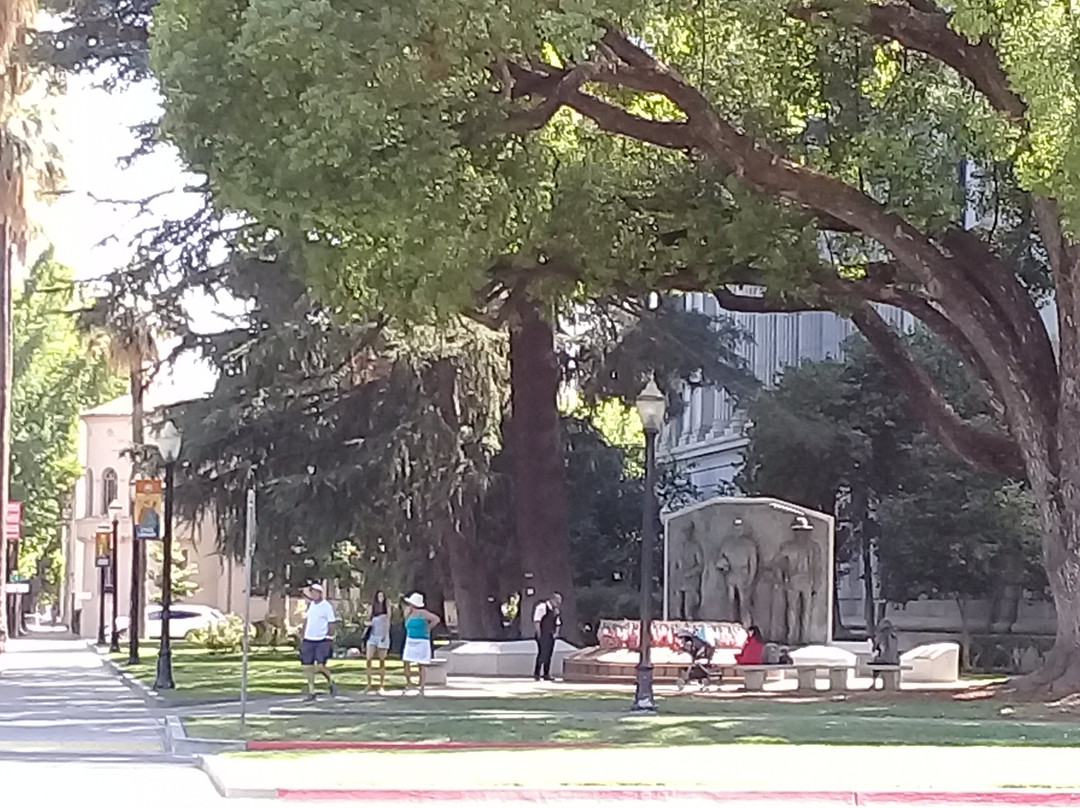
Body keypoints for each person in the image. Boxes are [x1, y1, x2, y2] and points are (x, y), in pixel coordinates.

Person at [299, 583, 338, 702]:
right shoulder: (310, 605)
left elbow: (331, 623)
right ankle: (312, 691)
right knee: (308, 666)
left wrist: (330, 636)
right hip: (308, 639)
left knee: (320, 666)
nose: (313, 594)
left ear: (320, 593)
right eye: (312, 592)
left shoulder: (326, 606)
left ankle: (331, 681)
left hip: (321, 639)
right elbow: (306, 620)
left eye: (316, 592)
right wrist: (302, 635)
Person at [401, 592, 440, 695]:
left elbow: (436, 619)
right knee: (406, 661)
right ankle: (409, 683)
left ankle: (422, 687)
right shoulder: (408, 614)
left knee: (421, 664)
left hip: (422, 640)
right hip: (410, 640)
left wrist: (428, 628)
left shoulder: (423, 613)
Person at [365, 590, 391, 694]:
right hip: (373, 635)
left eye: (382, 596)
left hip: (382, 635)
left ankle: (381, 685)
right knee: (368, 659)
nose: (380, 598)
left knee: (382, 661)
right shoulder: (373, 608)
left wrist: (385, 634)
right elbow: (368, 619)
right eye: (379, 596)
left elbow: (388, 621)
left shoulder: (386, 608)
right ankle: (369, 683)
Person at [532, 592, 562, 681]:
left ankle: (546, 674)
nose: (558, 604)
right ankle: (537, 673)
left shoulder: (555, 610)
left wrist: (556, 633)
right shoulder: (542, 607)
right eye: (557, 602)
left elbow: (558, 623)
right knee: (542, 653)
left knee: (549, 654)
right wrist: (539, 634)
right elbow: (537, 621)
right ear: (552, 600)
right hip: (543, 633)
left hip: (551, 634)